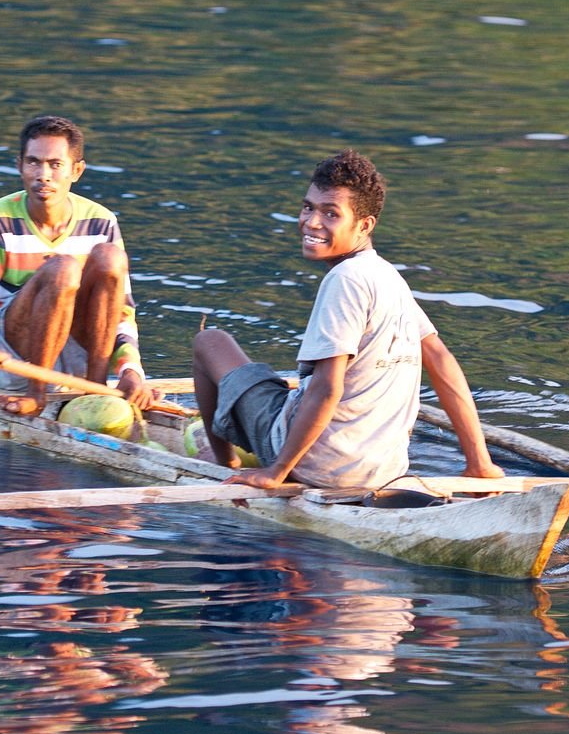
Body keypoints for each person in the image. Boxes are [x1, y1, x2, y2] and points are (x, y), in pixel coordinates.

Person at [193, 149, 503, 491]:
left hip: (320, 468)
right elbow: (441, 360)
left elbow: (327, 387)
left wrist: (276, 471)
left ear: (364, 225)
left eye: (331, 214)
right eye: (308, 206)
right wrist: (479, 463)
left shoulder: (345, 280)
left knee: (210, 342)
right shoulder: (387, 276)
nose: (311, 222)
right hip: (384, 470)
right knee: (285, 386)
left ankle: (224, 464)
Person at [0, 116, 156, 415]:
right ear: (19, 166)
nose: (43, 175)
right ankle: (36, 395)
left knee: (110, 257)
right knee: (64, 269)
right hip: (16, 360)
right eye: (33, 163)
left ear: (76, 171)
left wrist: (131, 371)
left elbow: (122, 311)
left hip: (75, 352)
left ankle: (94, 392)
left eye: (55, 165)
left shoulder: (101, 221)